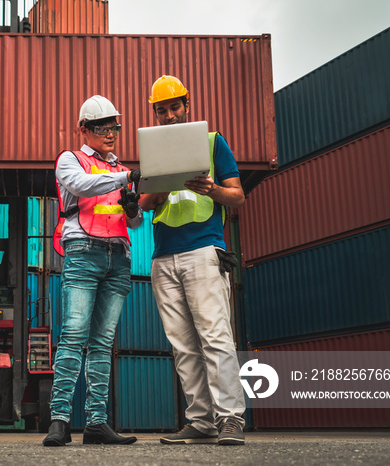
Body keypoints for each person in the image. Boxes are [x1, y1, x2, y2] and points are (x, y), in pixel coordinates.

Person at [138, 75, 247, 446]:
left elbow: (237, 196)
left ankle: (230, 418)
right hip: (163, 257)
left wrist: (212, 189)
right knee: (183, 345)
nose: (169, 115)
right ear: (155, 113)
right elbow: (145, 204)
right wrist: (165, 182)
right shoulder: (152, 150)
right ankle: (200, 420)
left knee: (215, 336)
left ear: (188, 105)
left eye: (174, 107)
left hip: (203, 249)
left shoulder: (213, 142)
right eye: (161, 110)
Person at [43, 95, 141, 447]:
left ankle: (97, 423)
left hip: (119, 256)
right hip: (83, 251)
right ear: (84, 129)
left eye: (114, 126)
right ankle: (59, 421)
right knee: (74, 336)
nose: (111, 133)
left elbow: (137, 221)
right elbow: (82, 186)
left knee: (102, 343)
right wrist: (126, 178)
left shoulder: (120, 168)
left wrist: (133, 207)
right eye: (102, 127)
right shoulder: (70, 160)